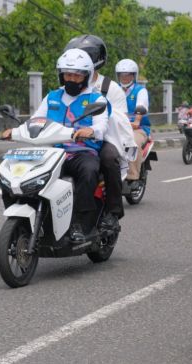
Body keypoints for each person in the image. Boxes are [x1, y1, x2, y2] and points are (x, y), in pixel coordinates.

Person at [2, 49, 109, 243]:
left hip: (80, 152)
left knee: (89, 170)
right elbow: (35, 120)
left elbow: (101, 125)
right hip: (51, 151)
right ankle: (27, 218)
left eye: (76, 75)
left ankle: (81, 224)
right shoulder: (52, 97)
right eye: (67, 74)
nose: (71, 79)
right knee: (19, 173)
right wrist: (16, 131)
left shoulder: (96, 100)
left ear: (86, 77)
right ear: (61, 75)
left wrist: (91, 131)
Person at [65, 34, 135, 231]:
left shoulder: (110, 89)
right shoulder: (66, 87)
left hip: (103, 139)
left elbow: (119, 122)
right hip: (70, 140)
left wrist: (96, 126)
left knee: (109, 159)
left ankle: (112, 212)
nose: (73, 69)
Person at [115, 59, 150, 186]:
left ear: (134, 76)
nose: (124, 78)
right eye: (122, 75)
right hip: (116, 127)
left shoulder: (140, 91)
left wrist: (137, 121)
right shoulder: (114, 90)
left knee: (133, 142)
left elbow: (141, 106)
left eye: (128, 75)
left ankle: (132, 176)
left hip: (137, 128)